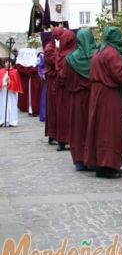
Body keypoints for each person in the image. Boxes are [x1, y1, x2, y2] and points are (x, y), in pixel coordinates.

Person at [83, 27, 122, 178]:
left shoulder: (100, 50)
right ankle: (106, 166)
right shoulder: (112, 53)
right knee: (109, 130)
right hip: (108, 95)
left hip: (99, 94)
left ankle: (105, 163)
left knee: (100, 129)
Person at [62, 28, 96, 171]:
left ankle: (79, 160)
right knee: (93, 128)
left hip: (77, 98)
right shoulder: (97, 57)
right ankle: (93, 159)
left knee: (78, 129)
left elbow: (64, 78)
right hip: (94, 98)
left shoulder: (70, 59)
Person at [54, 30, 77, 152]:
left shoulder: (59, 53)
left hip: (61, 89)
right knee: (70, 115)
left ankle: (61, 140)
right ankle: (70, 139)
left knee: (62, 114)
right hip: (70, 89)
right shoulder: (73, 55)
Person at [43, 26, 64, 144]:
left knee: (60, 108)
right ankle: (53, 134)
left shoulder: (61, 47)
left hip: (60, 81)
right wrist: (58, 50)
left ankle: (60, 133)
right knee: (53, 108)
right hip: (52, 81)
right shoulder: (49, 48)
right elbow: (54, 61)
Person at [15, 48, 40, 117]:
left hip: (30, 80)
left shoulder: (22, 64)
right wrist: (31, 70)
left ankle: (29, 107)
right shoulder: (20, 63)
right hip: (26, 80)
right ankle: (24, 106)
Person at [0, 58, 22, 127]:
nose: (7, 63)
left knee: (11, 105)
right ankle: (2, 120)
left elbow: (16, 83)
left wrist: (10, 82)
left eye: (9, 62)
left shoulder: (14, 71)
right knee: (3, 105)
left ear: (11, 63)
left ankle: (12, 121)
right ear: (4, 63)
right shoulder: (1, 71)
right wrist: (4, 82)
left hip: (11, 93)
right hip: (3, 91)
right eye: (6, 62)